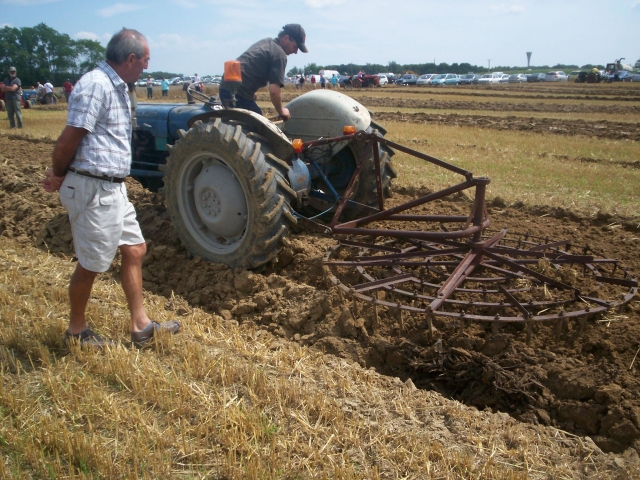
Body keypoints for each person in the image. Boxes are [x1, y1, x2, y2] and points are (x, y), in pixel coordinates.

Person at [40, 28, 180, 348]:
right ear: (130, 58)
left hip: (113, 188)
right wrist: (59, 174)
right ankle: (76, 331)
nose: (147, 66)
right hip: (93, 187)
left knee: (135, 249)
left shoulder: (119, 87)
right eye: (145, 60)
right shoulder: (96, 85)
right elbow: (69, 138)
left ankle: (141, 326)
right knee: (92, 264)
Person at [219, 23, 308, 119]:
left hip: (225, 88)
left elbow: (248, 66)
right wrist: (281, 111)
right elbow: (274, 91)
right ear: (286, 38)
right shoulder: (279, 55)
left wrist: (250, 92)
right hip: (239, 94)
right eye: (295, 47)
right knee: (260, 128)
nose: (295, 52)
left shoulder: (267, 42)